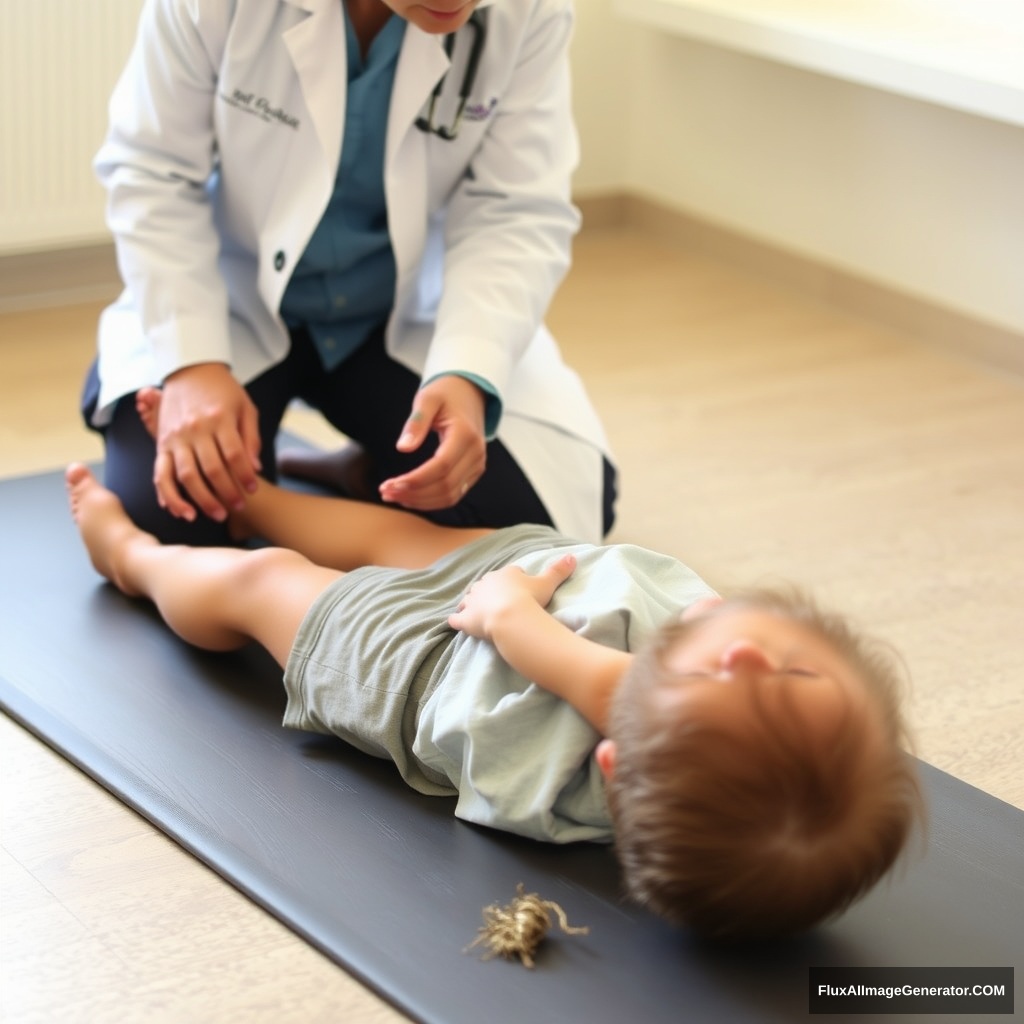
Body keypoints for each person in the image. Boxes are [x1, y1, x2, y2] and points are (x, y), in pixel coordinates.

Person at [65, 420, 924, 938]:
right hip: (543, 583)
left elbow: (519, 632)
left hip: (424, 660)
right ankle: (253, 499)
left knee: (267, 586)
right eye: (794, 672)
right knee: (381, 532)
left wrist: (517, 600)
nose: (746, 660)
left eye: (722, 682)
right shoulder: (710, 720)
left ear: (618, 758)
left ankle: (137, 558)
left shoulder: (630, 715)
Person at [81, 0, 616, 548]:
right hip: (232, 304)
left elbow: (514, 209)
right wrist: (192, 363)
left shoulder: (529, 12)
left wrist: (467, 370)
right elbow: (152, 172)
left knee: (537, 514)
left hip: (394, 313)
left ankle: (347, 477)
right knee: (176, 510)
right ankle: (268, 488)